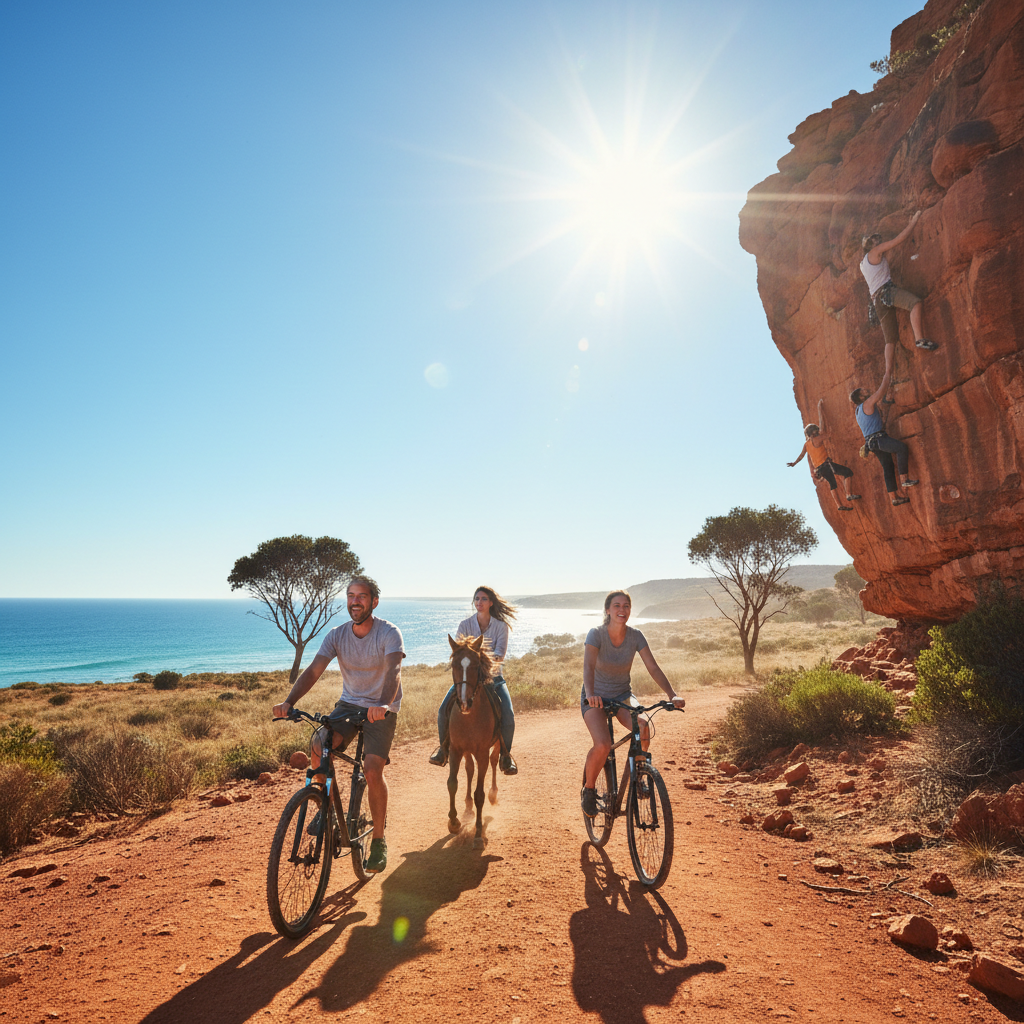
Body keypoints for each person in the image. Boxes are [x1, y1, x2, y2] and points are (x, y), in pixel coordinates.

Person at [272, 575, 404, 874]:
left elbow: (394, 669)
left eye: (362, 596)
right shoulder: (337, 634)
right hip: (349, 705)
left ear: (374, 601)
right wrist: (289, 701)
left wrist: (382, 705)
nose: (355, 601)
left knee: (371, 769)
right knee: (319, 746)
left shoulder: (389, 633)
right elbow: (314, 670)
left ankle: (380, 842)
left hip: (382, 707)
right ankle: (326, 810)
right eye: (350, 595)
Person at [580, 590, 685, 818]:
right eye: (617, 605)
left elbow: (653, 667)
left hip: (622, 695)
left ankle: (638, 776)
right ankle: (588, 790)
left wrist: (671, 694)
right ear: (607, 610)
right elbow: (588, 667)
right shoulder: (596, 634)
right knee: (602, 745)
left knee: (643, 727)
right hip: (595, 696)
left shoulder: (636, 636)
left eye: (626, 606)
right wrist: (591, 694)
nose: (622, 610)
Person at [429, 585, 519, 775]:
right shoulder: (465, 625)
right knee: (442, 711)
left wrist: (481, 661)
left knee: (508, 714)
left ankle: (505, 755)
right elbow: (459, 652)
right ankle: (443, 749)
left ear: (491, 603)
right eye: (477, 599)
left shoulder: (501, 627)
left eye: (484, 599)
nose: (479, 602)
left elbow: (500, 655)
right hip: (467, 679)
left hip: (493, 679)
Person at [860, 210, 938, 376]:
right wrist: (914, 222)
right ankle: (919, 339)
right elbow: (898, 240)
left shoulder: (863, 263)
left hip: (876, 302)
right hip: (886, 293)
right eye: (874, 239)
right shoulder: (875, 251)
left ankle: (888, 372)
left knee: (890, 339)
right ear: (869, 244)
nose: (878, 239)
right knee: (915, 303)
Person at [850, 367, 918, 506]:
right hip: (879, 439)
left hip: (872, 443)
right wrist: (887, 373)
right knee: (901, 448)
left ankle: (894, 498)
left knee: (888, 467)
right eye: (863, 390)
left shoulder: (858, 411)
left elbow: (875, 418)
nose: (866, 389)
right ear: (861, 397)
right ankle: (904, 480)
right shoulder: (867, 403)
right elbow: (881, 390)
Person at [787, 398, 860, 512]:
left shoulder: (807, 444)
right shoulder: (818, 439)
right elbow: (824, 428)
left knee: (832, 484)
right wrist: (819, 409)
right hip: (826, 465)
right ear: (813, 432)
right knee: (847, 472)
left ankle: (839, 505)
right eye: (816, 431)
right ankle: (848, 494)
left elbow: (801, 456)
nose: (818, 432)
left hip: (819, 469)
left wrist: (794, 463)